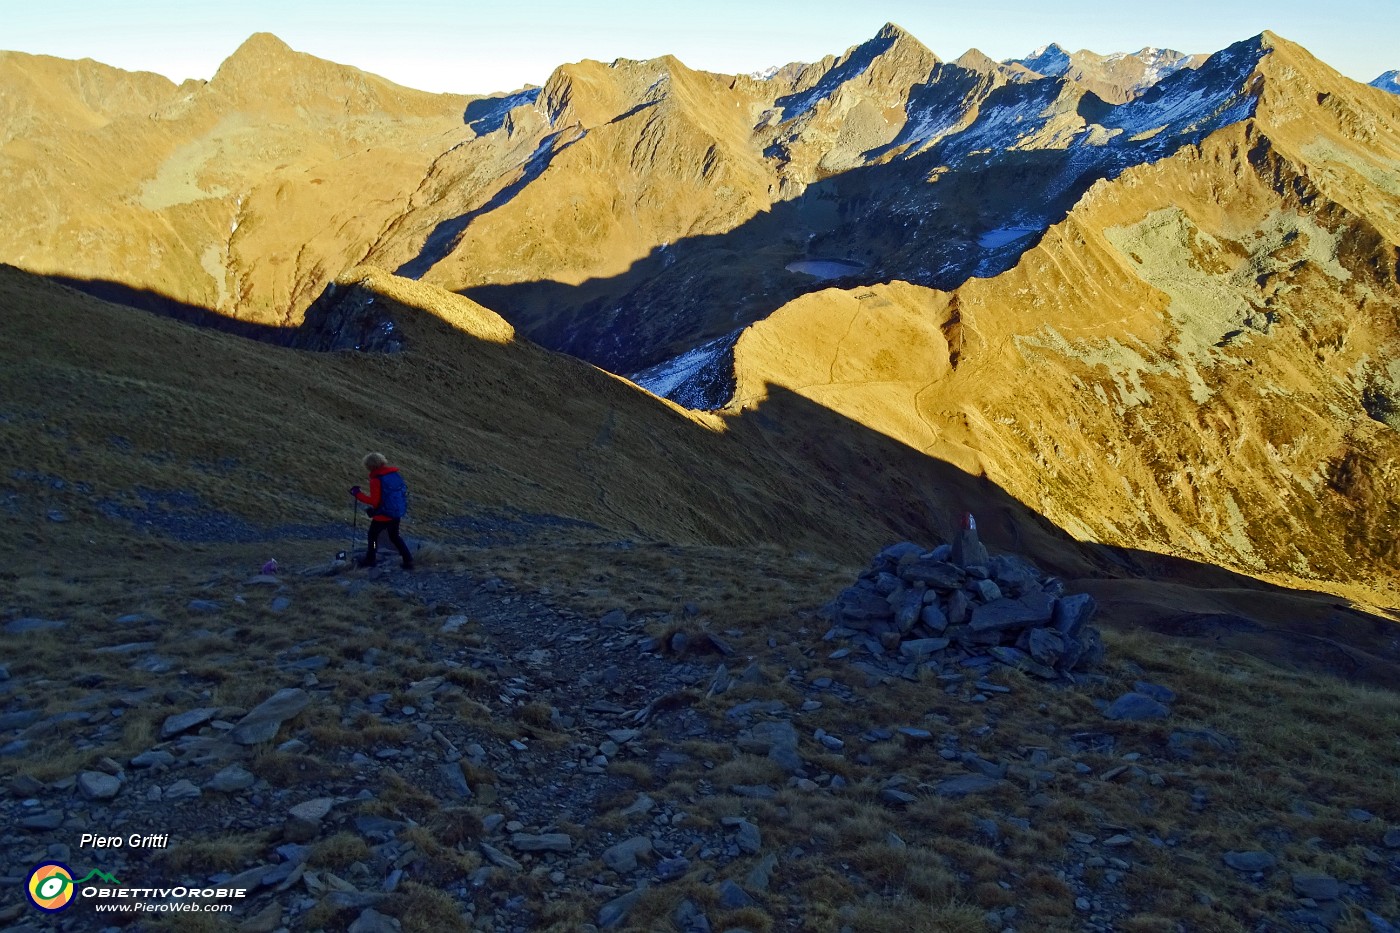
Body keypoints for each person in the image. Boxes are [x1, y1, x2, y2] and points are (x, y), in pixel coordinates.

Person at [351, 453, 414, 569]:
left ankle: (370, 559)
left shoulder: (376, 480)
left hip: (382, 515)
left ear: (370, 466)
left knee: (373, 537)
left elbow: (374, 501)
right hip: (395, 513)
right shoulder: (394, 475)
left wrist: (357, 494)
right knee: (395, 537)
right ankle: (408, 559)